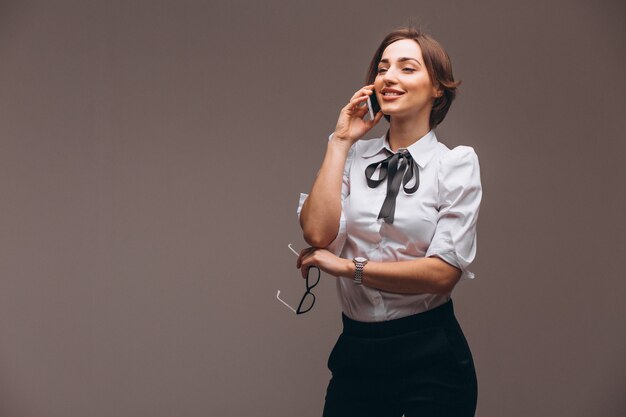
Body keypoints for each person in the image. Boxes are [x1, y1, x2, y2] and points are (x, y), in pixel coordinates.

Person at [295, 26, 482, 417]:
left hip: (432, 357)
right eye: (382, 68)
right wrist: (340, 141)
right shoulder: (351, 156)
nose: (389, 77)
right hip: (357, 354)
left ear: (437, 90)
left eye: (407, 68)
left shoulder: (455, 165)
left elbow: (441, 274)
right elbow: (316, 233)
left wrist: (349, 268)